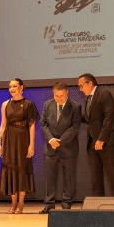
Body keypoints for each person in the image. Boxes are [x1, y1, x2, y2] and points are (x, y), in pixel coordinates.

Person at [78, 73, 114, 198]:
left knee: (113, 175)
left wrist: (101, 139)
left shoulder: (104, 94)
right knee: (96, 178)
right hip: (92, 143)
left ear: (90, 83)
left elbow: (109, 118)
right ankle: (98, 204)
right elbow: (91, 119)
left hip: (107, 141)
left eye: (81, 86)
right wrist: (76, 115)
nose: (80, 89)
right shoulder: (87, 99)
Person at [39, 82, 81, 213]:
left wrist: (59, 141)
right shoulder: (47, 104)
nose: (59, 98)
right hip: (50, 147)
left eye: (61, 96)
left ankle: (67, 203)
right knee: (50, 178)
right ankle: (49, 205)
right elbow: (43, 123)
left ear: (67, 92)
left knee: (68, 177)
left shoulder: (75, 106)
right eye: (56, 96)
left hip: (68, 147)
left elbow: (75, 127)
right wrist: (51, 139)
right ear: (53, 93)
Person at [0, 78, 39, 213]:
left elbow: (31, 125)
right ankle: (13, 202)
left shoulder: (29, 104)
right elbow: (3, 125)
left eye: (14, 86)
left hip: (23, 138)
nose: (11, 89)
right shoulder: (5, 104)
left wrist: (31, 144)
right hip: (9, 139)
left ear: (21, 87)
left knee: (22, 169)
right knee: (11, 170)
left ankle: (21, 202)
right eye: (10, 86)